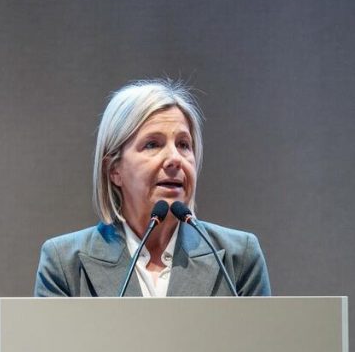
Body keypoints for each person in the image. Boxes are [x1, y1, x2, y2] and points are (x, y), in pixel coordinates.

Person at [34, 79, 271, 297]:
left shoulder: (239, 257)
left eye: (183, 144)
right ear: (114, 170)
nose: (175, 159)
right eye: (152, 144)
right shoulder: (64, 263)